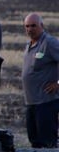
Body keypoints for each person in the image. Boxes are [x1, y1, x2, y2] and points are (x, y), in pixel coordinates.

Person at [22, 13, 59, 148]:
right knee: (35, 142)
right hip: (31, 103)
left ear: (41, 26)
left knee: (47, 143)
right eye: (27, 26)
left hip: (46, 103)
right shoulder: (29, 44)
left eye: (33, 26)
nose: (30, 29)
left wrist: (58, 83)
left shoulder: (49, 43)